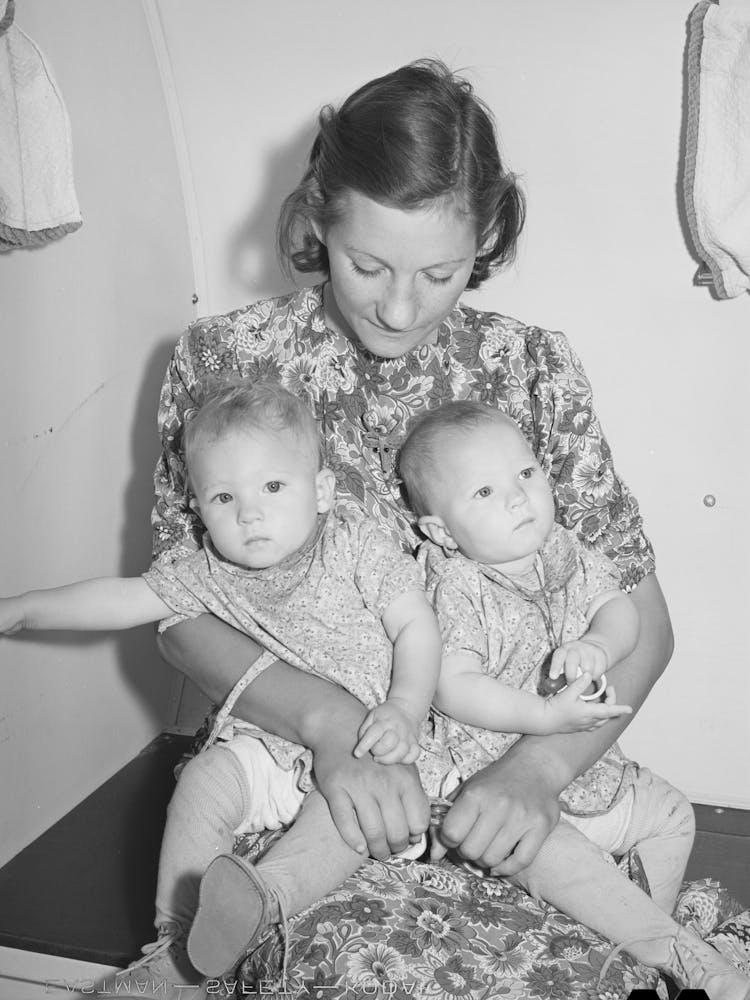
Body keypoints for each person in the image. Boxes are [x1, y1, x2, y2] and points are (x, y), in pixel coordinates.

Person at [147, 57, 696, 994]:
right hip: (297, 777)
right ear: (319, 215)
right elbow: (177, 612)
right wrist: (332, 727)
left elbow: (648, 628)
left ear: (484, 238)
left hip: (503, 785)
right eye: (368, 266)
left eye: (440, 273)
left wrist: (535, 774)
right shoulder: (224, 361)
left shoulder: (532, 370)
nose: (400, 308)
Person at [0, 379, 445, 997]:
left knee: (344, 817)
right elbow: (118, 598)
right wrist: (21, 609)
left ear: (321, 492)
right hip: (267, 751)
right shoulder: (205, 569)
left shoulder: (354, 543)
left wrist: (405, 707)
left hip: (366, 750)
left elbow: (416, 625)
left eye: (272, 487)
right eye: (223, 496)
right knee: (205, 779)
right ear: (199, 508)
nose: (249, 513)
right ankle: (178, 950)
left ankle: (262, 902)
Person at [397, 400, 750, 999]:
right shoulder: (453, 582)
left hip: (584, 767)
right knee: (544, 845)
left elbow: (620, 610)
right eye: (484, 492)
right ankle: (681, 956)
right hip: (485, 774)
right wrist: (543, 716)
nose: (517, 499)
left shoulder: (564, 551)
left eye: (526, 475)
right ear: (440, 530)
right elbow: (449, 684)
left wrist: (599, 644)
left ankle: (642, 951)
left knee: (671, 815)